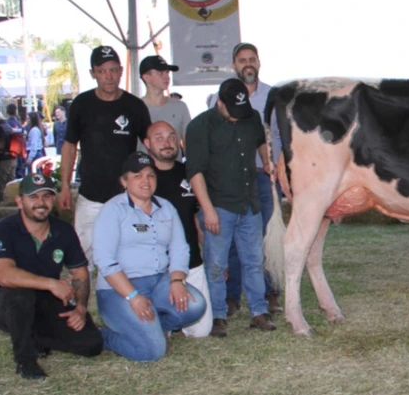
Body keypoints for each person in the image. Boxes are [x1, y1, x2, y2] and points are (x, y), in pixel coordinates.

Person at [0, 172, 103, 380]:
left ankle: (36, 336)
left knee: (91, 344)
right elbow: (4, 275)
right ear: (20, 201)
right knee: (21, 297)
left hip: (46, 301)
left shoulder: (63, 230)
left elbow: (80, 272)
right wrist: (51, 284)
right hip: (7, 302)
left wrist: (81, 308)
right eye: (33, 197)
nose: (41, 203)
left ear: (53, 199)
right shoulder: (1, 230)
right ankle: (25, 360)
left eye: (46, 196)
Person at [186, 78, 278, 337]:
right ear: (219, 102)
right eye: (232, 112)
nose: (238, 117)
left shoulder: (250, 117)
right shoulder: (199, 126)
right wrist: (208, 209)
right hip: (219, 205)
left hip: (249, 203)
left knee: (254, 260)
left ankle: (259, 312)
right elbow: (195, 172)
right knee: (216, 263)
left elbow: (260, 138)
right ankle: (217, 315)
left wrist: (266, 161)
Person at [92, 152, 206, 361]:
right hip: (119, 289)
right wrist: (133, 297)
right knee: (151, 352)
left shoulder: (166, 208)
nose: (145, 180)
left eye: (150, 175)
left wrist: (177, 280)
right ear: (124, 181)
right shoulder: (112, 210)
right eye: (137, 175)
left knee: (196, 305)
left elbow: (180, 248)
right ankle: (104, 336)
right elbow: (105, 261)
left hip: (158, 282)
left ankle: (150, 327)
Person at [58, 45, 152, 269]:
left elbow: (150, 147)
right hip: (91, 197)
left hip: (127, 198)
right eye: (102, 71)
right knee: (81, 260)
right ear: (93, 73)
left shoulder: (135, 106)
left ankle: (128, 303)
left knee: (129, 259)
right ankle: (81, 305)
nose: (108, 76)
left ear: (120, 71)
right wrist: (63, 186)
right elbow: (69, 146)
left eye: (113, 70)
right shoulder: (81, 104)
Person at [221, 42, 284, 314]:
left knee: (270, 235)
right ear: (234, 65)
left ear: (259, 63)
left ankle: (271, 294)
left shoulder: (274, 97)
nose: (248, 63)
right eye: (242, 59)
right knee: (235, 238)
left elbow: (284, 138)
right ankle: (231, 296)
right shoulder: (219, 98)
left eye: (252, 59)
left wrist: (279, 169)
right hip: (233, 180)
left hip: (266, 178)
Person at [143, 120, 211, 338]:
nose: (167, 143)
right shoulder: (142, 180)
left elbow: (196, 217)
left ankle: (176, 317)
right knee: (157, 333)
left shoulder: (190, 173)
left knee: (201, 331)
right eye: (159, 138)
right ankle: (163, 319)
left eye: (172, 137)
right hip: (156, 268)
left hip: (191, 262)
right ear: (147, 144)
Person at [139, 55, 191, 146]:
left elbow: (190, 144)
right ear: (146, 77)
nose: (166, 77)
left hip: (173, 160)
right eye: (160, 73)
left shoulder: (180, 107)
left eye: (167, 72)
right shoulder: (134, 107)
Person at [0, 109, 23, 190]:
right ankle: (11, 201)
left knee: (1, 184)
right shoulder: (7, 126)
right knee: (11, 184)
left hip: (4, 159)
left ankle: (3, 201)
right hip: (13, 157)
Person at [23, 111, 46, 176]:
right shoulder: (36, 129)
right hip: (36, 153)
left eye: (28, 118)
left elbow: (34, 146)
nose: (27, 120)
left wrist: (30, 158)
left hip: (35, 155)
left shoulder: (34, 130)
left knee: (34, 175)